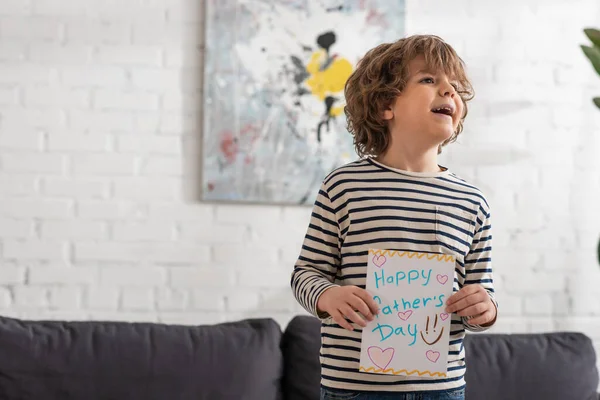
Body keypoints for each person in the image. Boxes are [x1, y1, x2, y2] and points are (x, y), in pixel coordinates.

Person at [290, 34, 498, 400]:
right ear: (386, 104)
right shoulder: (344, 186)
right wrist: (329, 297)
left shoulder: (472, 201)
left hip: (442, 390)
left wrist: (485, 309)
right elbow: (306, 274)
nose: (449, 91)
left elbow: (482, 295)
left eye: (454, 86)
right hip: (353, 390)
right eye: (430, 80)